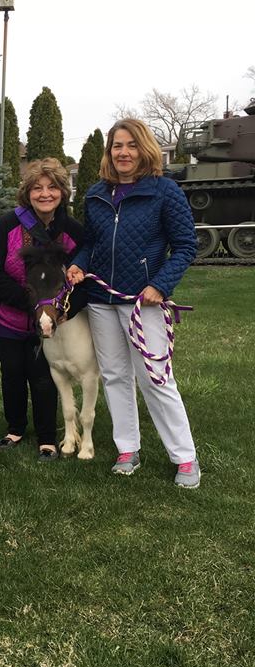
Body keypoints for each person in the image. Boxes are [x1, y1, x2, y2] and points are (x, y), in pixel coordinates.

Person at [66, 118, 200, 487]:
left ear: (144, 148)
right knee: (114, 376)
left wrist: (160, 285)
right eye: (117, 146)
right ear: (109, 152)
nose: (123, 152)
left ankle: (185, 457)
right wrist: (79, 263)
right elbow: (91, 243)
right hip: (101, 301)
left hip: (144, 303)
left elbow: (186, 246)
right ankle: (127, 449)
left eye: (131, 145)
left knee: (156, 379)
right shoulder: (96, 194)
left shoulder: (164, 191)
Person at [0, 158, 86, 461]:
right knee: (12, 373)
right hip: (9, 316)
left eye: (52, 187)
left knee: (44, 377)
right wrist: (30, 303)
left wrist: (64, 309)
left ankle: (46, 437)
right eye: (37, 188)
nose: (45, 194)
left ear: (62, 192)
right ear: (27, 193)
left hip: (53, 322)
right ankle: (15, 428)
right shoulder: (8, 225)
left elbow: (84, 274)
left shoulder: (72, 231)